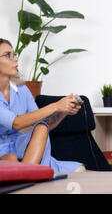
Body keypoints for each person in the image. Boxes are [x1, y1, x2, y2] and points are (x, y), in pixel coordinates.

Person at [0, 38, 85, 172]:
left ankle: (25, 175)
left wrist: (62, 112)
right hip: (4, 150)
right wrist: (56, 106)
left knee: (41, 127)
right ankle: (28, 175)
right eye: (7, 55)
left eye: (14, 54)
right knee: (11, 159)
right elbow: (16, 123)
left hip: (20, 146)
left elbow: (43, 124)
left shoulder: (21, 89)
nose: (15, 59)